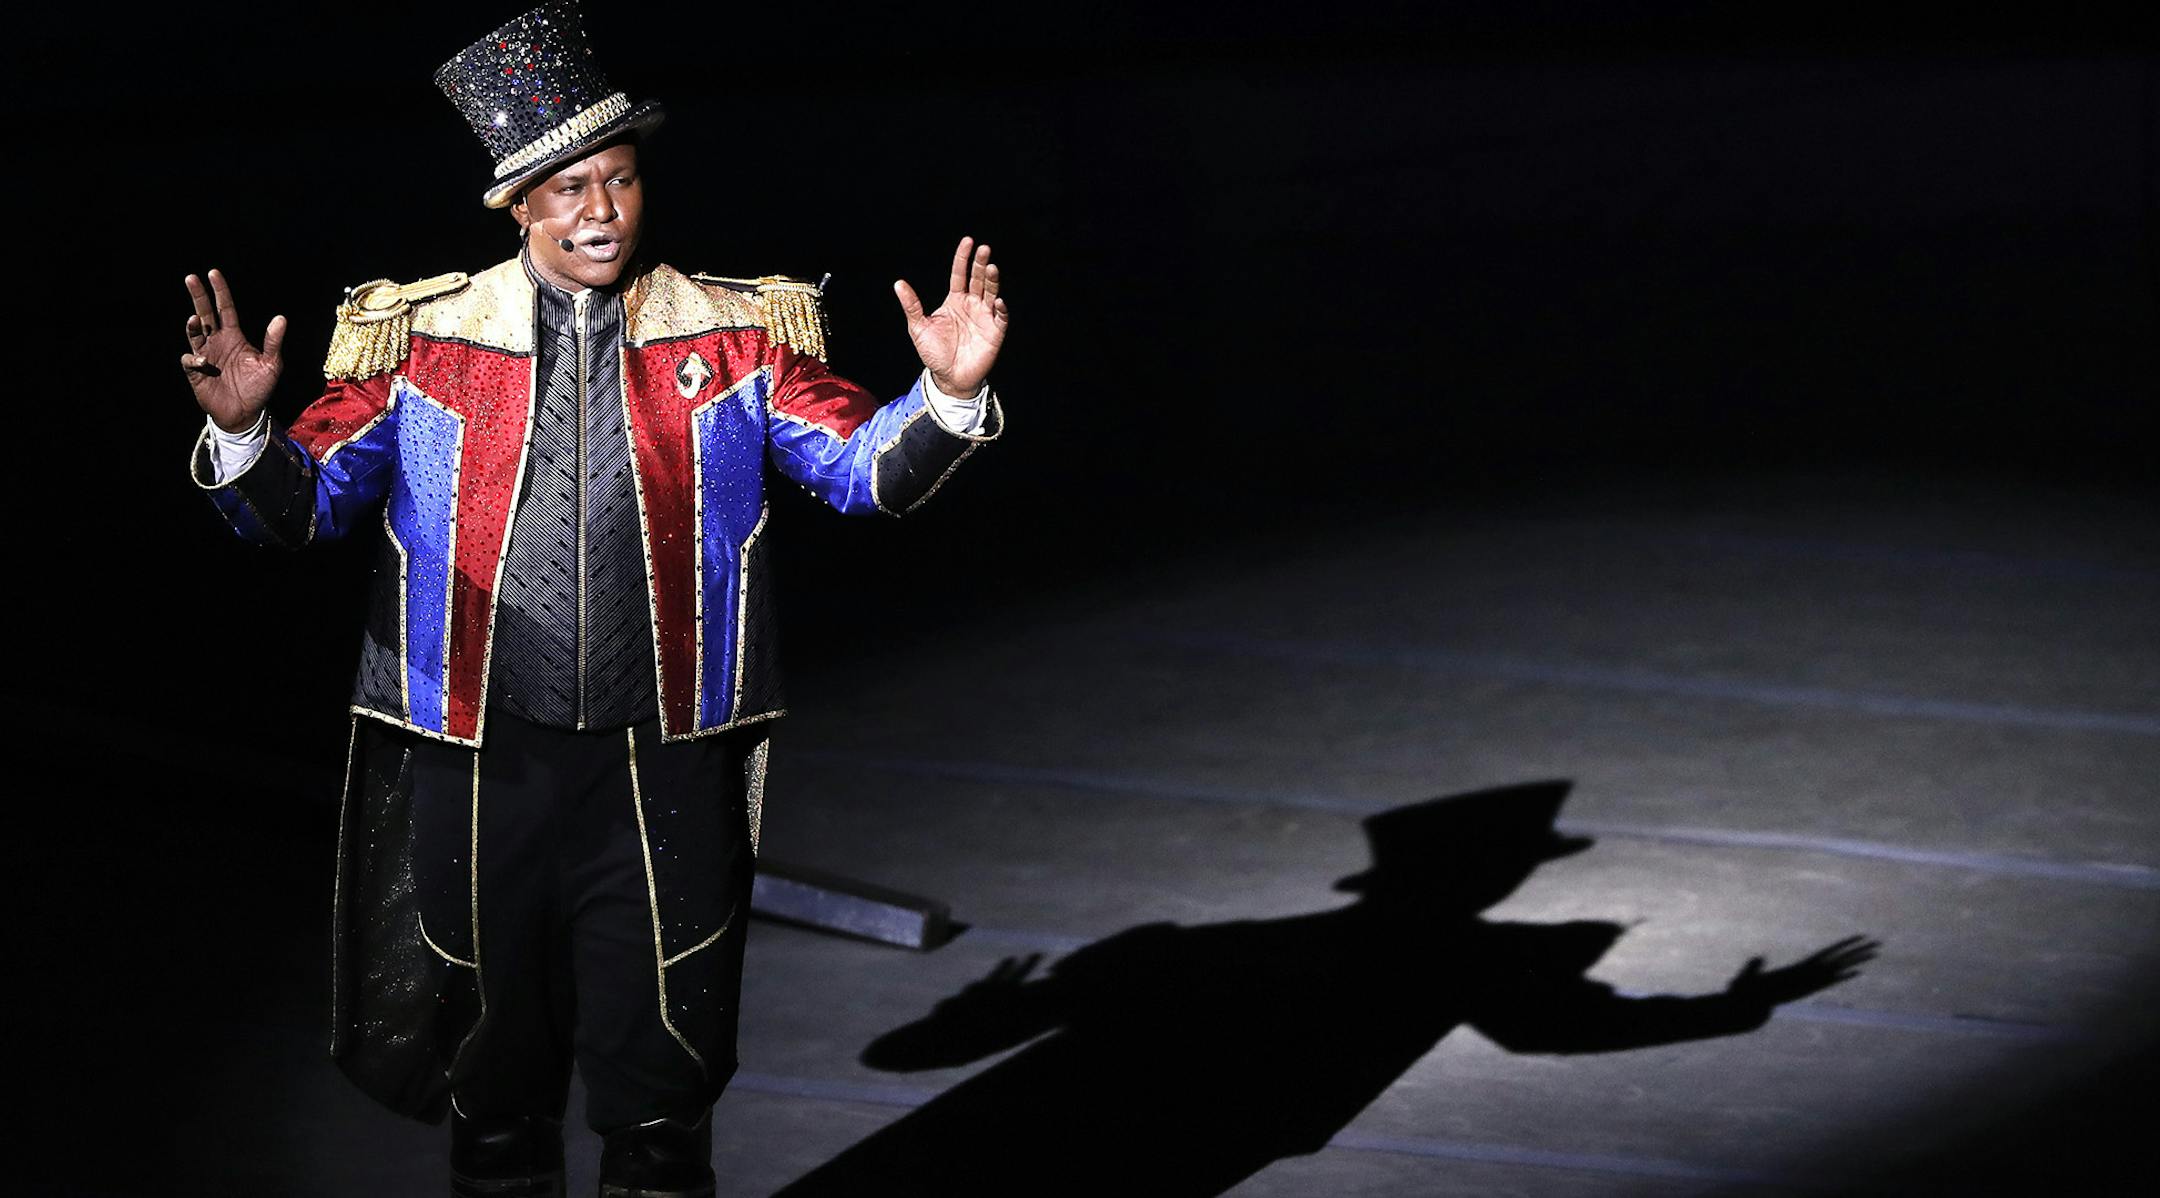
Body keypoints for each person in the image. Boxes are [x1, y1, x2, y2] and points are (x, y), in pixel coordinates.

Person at [177, 5, 1007, 1195]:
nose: (603, 209)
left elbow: (861, 471)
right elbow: (300, 511)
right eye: (569, 189)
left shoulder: (733, 338)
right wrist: (247, 433)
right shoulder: (424, 344)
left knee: (664, 1085)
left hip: (664, 754)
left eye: (619, 179)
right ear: (519, 208)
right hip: (481, 753)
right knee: (494, 1082)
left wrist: (947, 399)